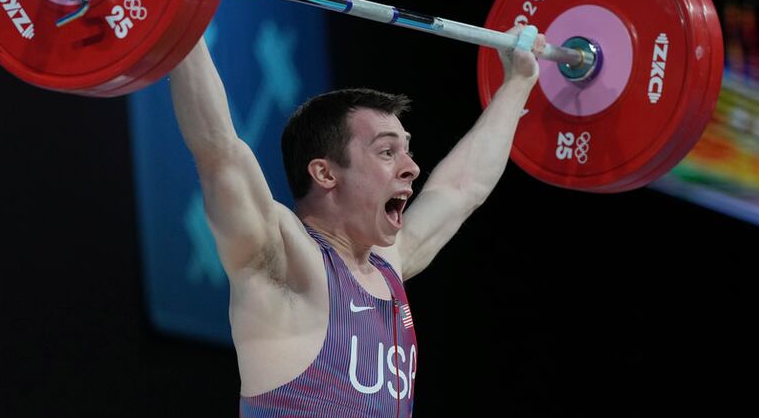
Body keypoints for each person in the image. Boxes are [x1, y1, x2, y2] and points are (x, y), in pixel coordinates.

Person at [169, 25, 545, 417]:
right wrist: (184, 14)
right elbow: (218, 151)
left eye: (407, 151)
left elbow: (461, 188)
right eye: (387, 152)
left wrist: (518, 82)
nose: (413, 168)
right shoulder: (283, 261)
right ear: (326, 173)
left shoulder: (389, 264)